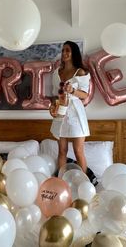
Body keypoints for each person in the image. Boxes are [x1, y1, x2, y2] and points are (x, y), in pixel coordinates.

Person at [50, 41, 90, 173]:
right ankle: (62, 181)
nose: (64, 53)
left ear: (74, 53)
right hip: (61, 112)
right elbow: (55, 95)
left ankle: (84, 183)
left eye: (67, 50)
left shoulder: (80, 72)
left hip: (75, 113)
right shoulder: (57, 73)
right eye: (62, 50)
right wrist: (52, 107)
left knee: (78, 151)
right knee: (62, 150)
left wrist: (72, 90)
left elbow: (84, 94)